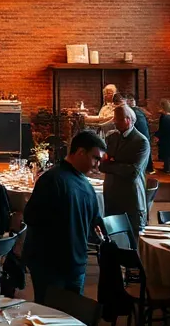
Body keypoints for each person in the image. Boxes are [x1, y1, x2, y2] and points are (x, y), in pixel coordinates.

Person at [23, 130, 107, 302]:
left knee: (72, 321)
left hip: (75, 265)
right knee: (49, 320)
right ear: (80, 152)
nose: (97, 165)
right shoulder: (52, 180)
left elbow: (94, 224)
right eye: (95, 158)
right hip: (50, 266)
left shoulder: (85, 185)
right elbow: (31, 218)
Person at [101, 105, 149, 233]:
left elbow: (133, 172)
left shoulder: (141, 142)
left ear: (128, 120)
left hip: (130, 198)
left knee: (133, 240)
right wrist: (118, 166)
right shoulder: (112, 138)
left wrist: (111, 164)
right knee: (112, 238)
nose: (114, 122)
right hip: (111, 195)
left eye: (117, 119)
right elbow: (102, 165)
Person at [124, 94, 153, 171]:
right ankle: (149, 168)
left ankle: (146, 168)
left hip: (140, 134)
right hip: (145, 133)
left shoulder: (132, 111)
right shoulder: (139, 110)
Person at [153, 99, 170, 174]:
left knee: (169, 156)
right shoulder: (168, 117)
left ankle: (169, 169)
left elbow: (164, 130)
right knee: (167, 156)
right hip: (169, 140)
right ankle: (167, 167)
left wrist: (158, 136)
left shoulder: (168, 118)